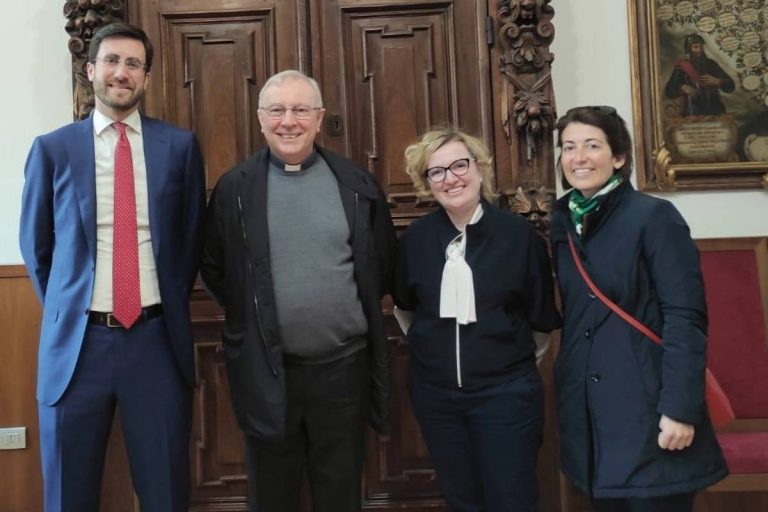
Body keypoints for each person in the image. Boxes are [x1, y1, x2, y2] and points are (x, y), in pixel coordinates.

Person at [19, 22, 206, 512]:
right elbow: (37, 248)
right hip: (78, 351)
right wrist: (68, 310)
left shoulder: (180, 148)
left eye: (132, 64)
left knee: (165, 491)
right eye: (111, 61)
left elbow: (188, 243)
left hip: (155, 343)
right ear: (90, 70)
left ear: (146, 76)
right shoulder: (53, 149)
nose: (121, 73)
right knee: (68, 495)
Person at [201, 69, 397, 512]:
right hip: (267, 370)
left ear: (319, 117)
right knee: (271, 495)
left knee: (341, 492)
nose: (288, 120)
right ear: (260, 118)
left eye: (300, 110)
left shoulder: (355, 184)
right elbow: (215, 268)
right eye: (277, 110)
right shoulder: (234, 188)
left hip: (343, 370)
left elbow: (379, 265)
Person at [550, 106, 728, 512]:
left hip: (651, 413)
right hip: (593, 420)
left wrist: (680, 410)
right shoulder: (562, 223)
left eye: (592, 146)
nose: (578, 157)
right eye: (569, 147)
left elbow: (686, 317)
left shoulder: (654, 217)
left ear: (618, 157)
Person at [393, 129, 561, 512]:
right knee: (461, 499)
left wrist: (501, 363)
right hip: (437, 398)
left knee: (512, 499)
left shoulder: (519, 237)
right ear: (426, 183)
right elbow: (405, 307)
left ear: (480, 168)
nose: (450, 178)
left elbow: (539, 319)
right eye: (437, 172)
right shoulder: (415, 240)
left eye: (459, 165)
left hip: (506, 396)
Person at [664, 34, 735, 116]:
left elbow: (731, 86)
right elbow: (669, 91)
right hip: (692, 111)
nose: (700, 50)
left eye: (701, 47)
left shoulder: (711, 64)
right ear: (689, 49)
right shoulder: (682, 68)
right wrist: (682, 87)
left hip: (715, 110)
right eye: (695, 47)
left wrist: (718, 81)